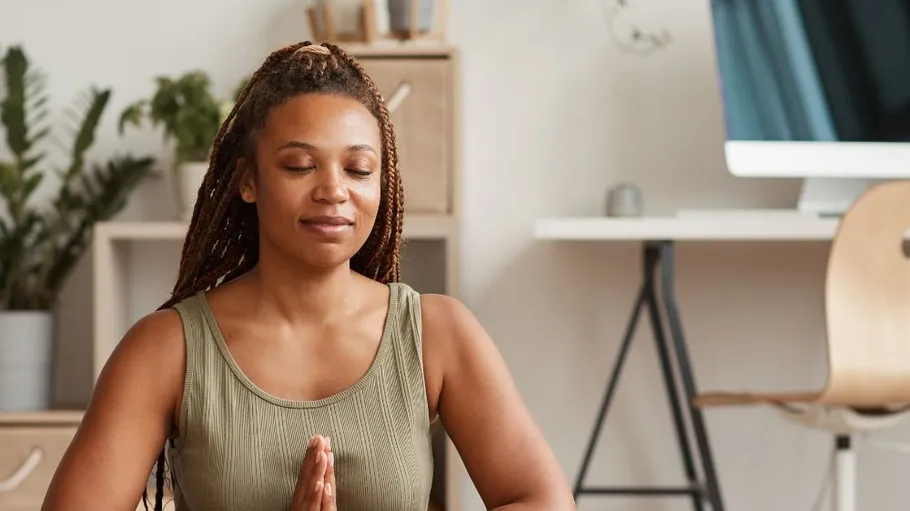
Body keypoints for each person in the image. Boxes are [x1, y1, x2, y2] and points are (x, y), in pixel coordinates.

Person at [40, 41, 574, 511]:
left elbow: (542, 500)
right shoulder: (166, 349)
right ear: (248, 181)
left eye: (359, 169)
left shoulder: (437, 333)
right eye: (300, 165)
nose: (334, 190)